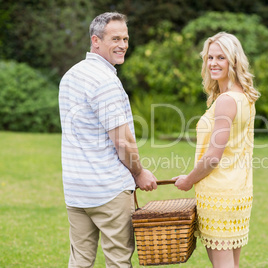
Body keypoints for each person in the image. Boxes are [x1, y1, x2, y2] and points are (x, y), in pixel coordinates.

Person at [59, 12, 157, 267]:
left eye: (125, 38)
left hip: (76, 190)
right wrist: (139, 173)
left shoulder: (71, 75)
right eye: (115, 38)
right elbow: (123, 142)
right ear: (96, 41)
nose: (123, 45)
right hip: (108, 190)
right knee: (118, 261)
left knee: (79, 261)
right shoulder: (105, 82)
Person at [173, 32, 260, 268]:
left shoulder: (226, 100)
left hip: (220, 195)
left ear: (233, 61)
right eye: (210, 57)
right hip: (238, 191)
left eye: (220, 57)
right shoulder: (245, 96)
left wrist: (188, 180)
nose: (213, 63)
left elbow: (213, 157)